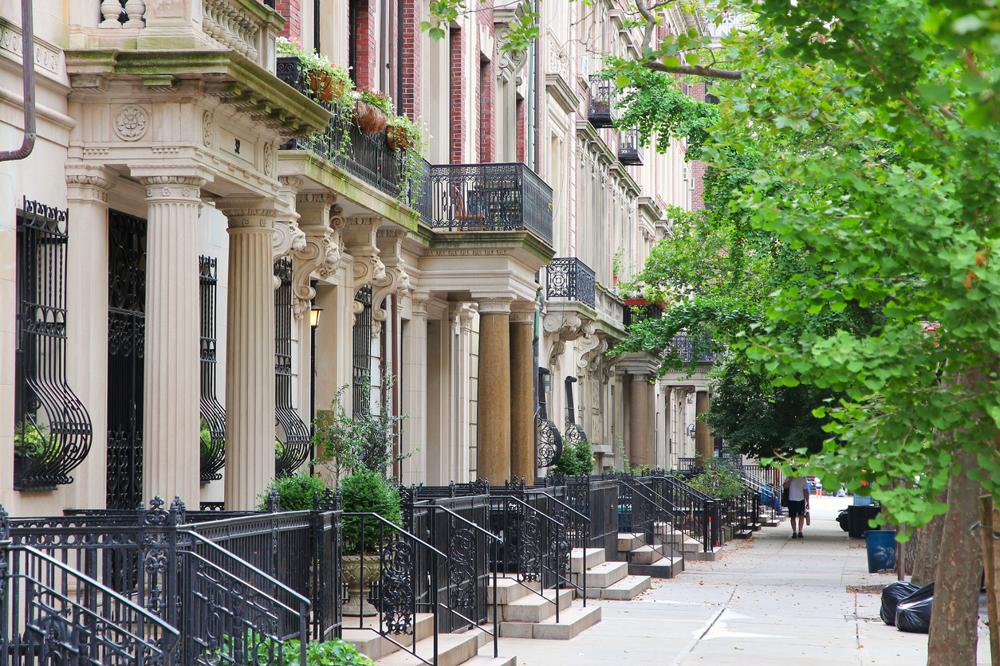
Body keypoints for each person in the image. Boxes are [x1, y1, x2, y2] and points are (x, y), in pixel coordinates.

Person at [784, 474, 810, 539]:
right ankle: (794, 532)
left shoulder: (803, 478)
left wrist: (807, 502)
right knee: (793, 517)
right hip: (791, 500)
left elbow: (806, 491)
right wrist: (790, 479)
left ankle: (800, 531)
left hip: (801, 500)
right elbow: (785, 486)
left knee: (801, 516)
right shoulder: (789, 477)